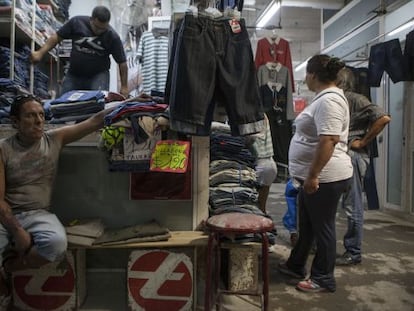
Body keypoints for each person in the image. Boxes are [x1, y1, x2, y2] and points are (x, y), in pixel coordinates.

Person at [0, 94, 118, 308]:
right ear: (15, 122)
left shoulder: (54, 139)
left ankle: (9, 268)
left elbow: (94, 121)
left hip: (37, 214)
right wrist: (17, 230)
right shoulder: (3, 149)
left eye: (41, 115)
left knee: (56, 245)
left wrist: (129, 103)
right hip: (4, 214)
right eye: (30, 116)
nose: (38, 121)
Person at [277, 55, 353, 293]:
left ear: (312, 75)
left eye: (306, 75)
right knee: (307, 226)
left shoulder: (329, 101)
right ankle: (296, 264)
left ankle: (323, 278)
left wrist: (313, 176)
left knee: (323, 228)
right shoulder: (324, 99)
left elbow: (329, 140)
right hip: (314, 177)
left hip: (325, 178)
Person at [335, 67, 391, 266]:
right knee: (343, 204)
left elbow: (383, 117)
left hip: (353, 155)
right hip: (344, 154)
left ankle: (353, 251)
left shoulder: (355, 99)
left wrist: (363, 141)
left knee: (353, 205)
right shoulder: (339, 99)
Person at [31, 5, 129, 98]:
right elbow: (56, 37)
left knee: (98, 103)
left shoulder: (112, 36)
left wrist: (124, 86)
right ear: (91, 20)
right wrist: (40, 52)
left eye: (103, 29)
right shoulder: (77, 22)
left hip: (98, 75)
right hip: (74, 73)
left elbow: (122, 63)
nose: (99, 31)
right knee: (63, 104)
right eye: (97, 27)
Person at [246, 113, 278, 213]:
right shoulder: (262, 114)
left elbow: (250, 139)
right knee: (261, 207)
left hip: (258, 165)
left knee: (251, 206)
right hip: (269, 163)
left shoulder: (249, 115)